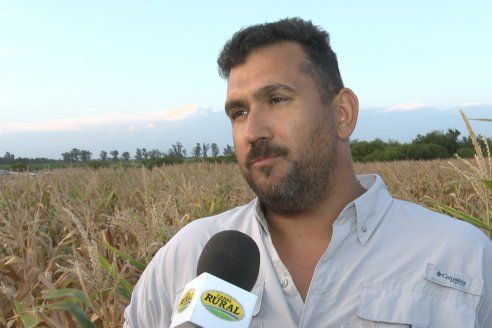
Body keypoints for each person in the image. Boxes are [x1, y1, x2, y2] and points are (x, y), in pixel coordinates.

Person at [124, 18, 492, 327]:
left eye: (277, 99)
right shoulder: (187, 254)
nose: (253, 132)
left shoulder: (462, 257)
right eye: (239, 112)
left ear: (342, 113)